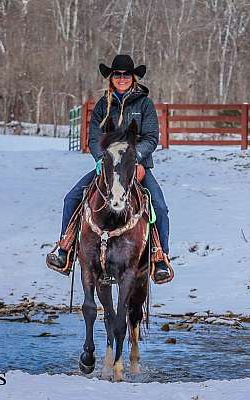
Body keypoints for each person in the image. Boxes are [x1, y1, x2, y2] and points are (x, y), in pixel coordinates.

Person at [47, 54, 172, 283]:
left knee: (160, 207)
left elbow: (152, 137)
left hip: (137, 166)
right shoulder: (103, 105)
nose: (122, 78)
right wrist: (100, 158)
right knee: (71, 198)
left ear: (133, 77)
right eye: (117, 74)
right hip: (107, 167)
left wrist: (136, 159)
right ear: (111, 77)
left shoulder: (144, 104)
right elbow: (95, 137)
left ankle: (160, 257)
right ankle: (65, 248)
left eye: (126, 74)